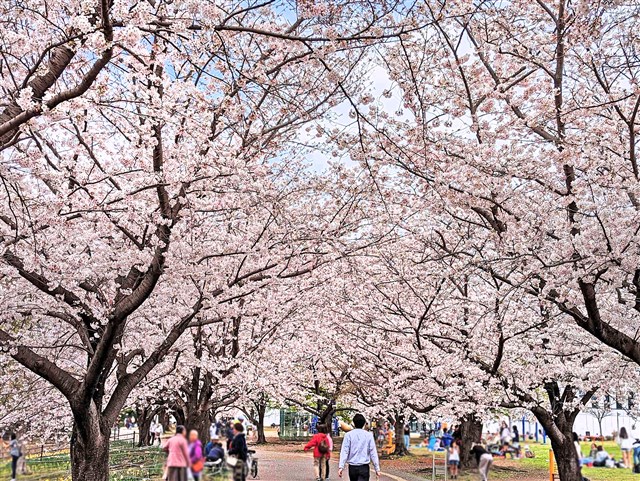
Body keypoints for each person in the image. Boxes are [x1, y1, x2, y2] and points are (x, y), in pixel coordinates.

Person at [338, 413, 381, 481]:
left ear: (354, 423)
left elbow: (344, 451)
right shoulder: (368, 435)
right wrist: (377, 468)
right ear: (364, 424)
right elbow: (373, 452)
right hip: (364, 466)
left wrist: (341, 466)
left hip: (352, 467)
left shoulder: (348, 435)